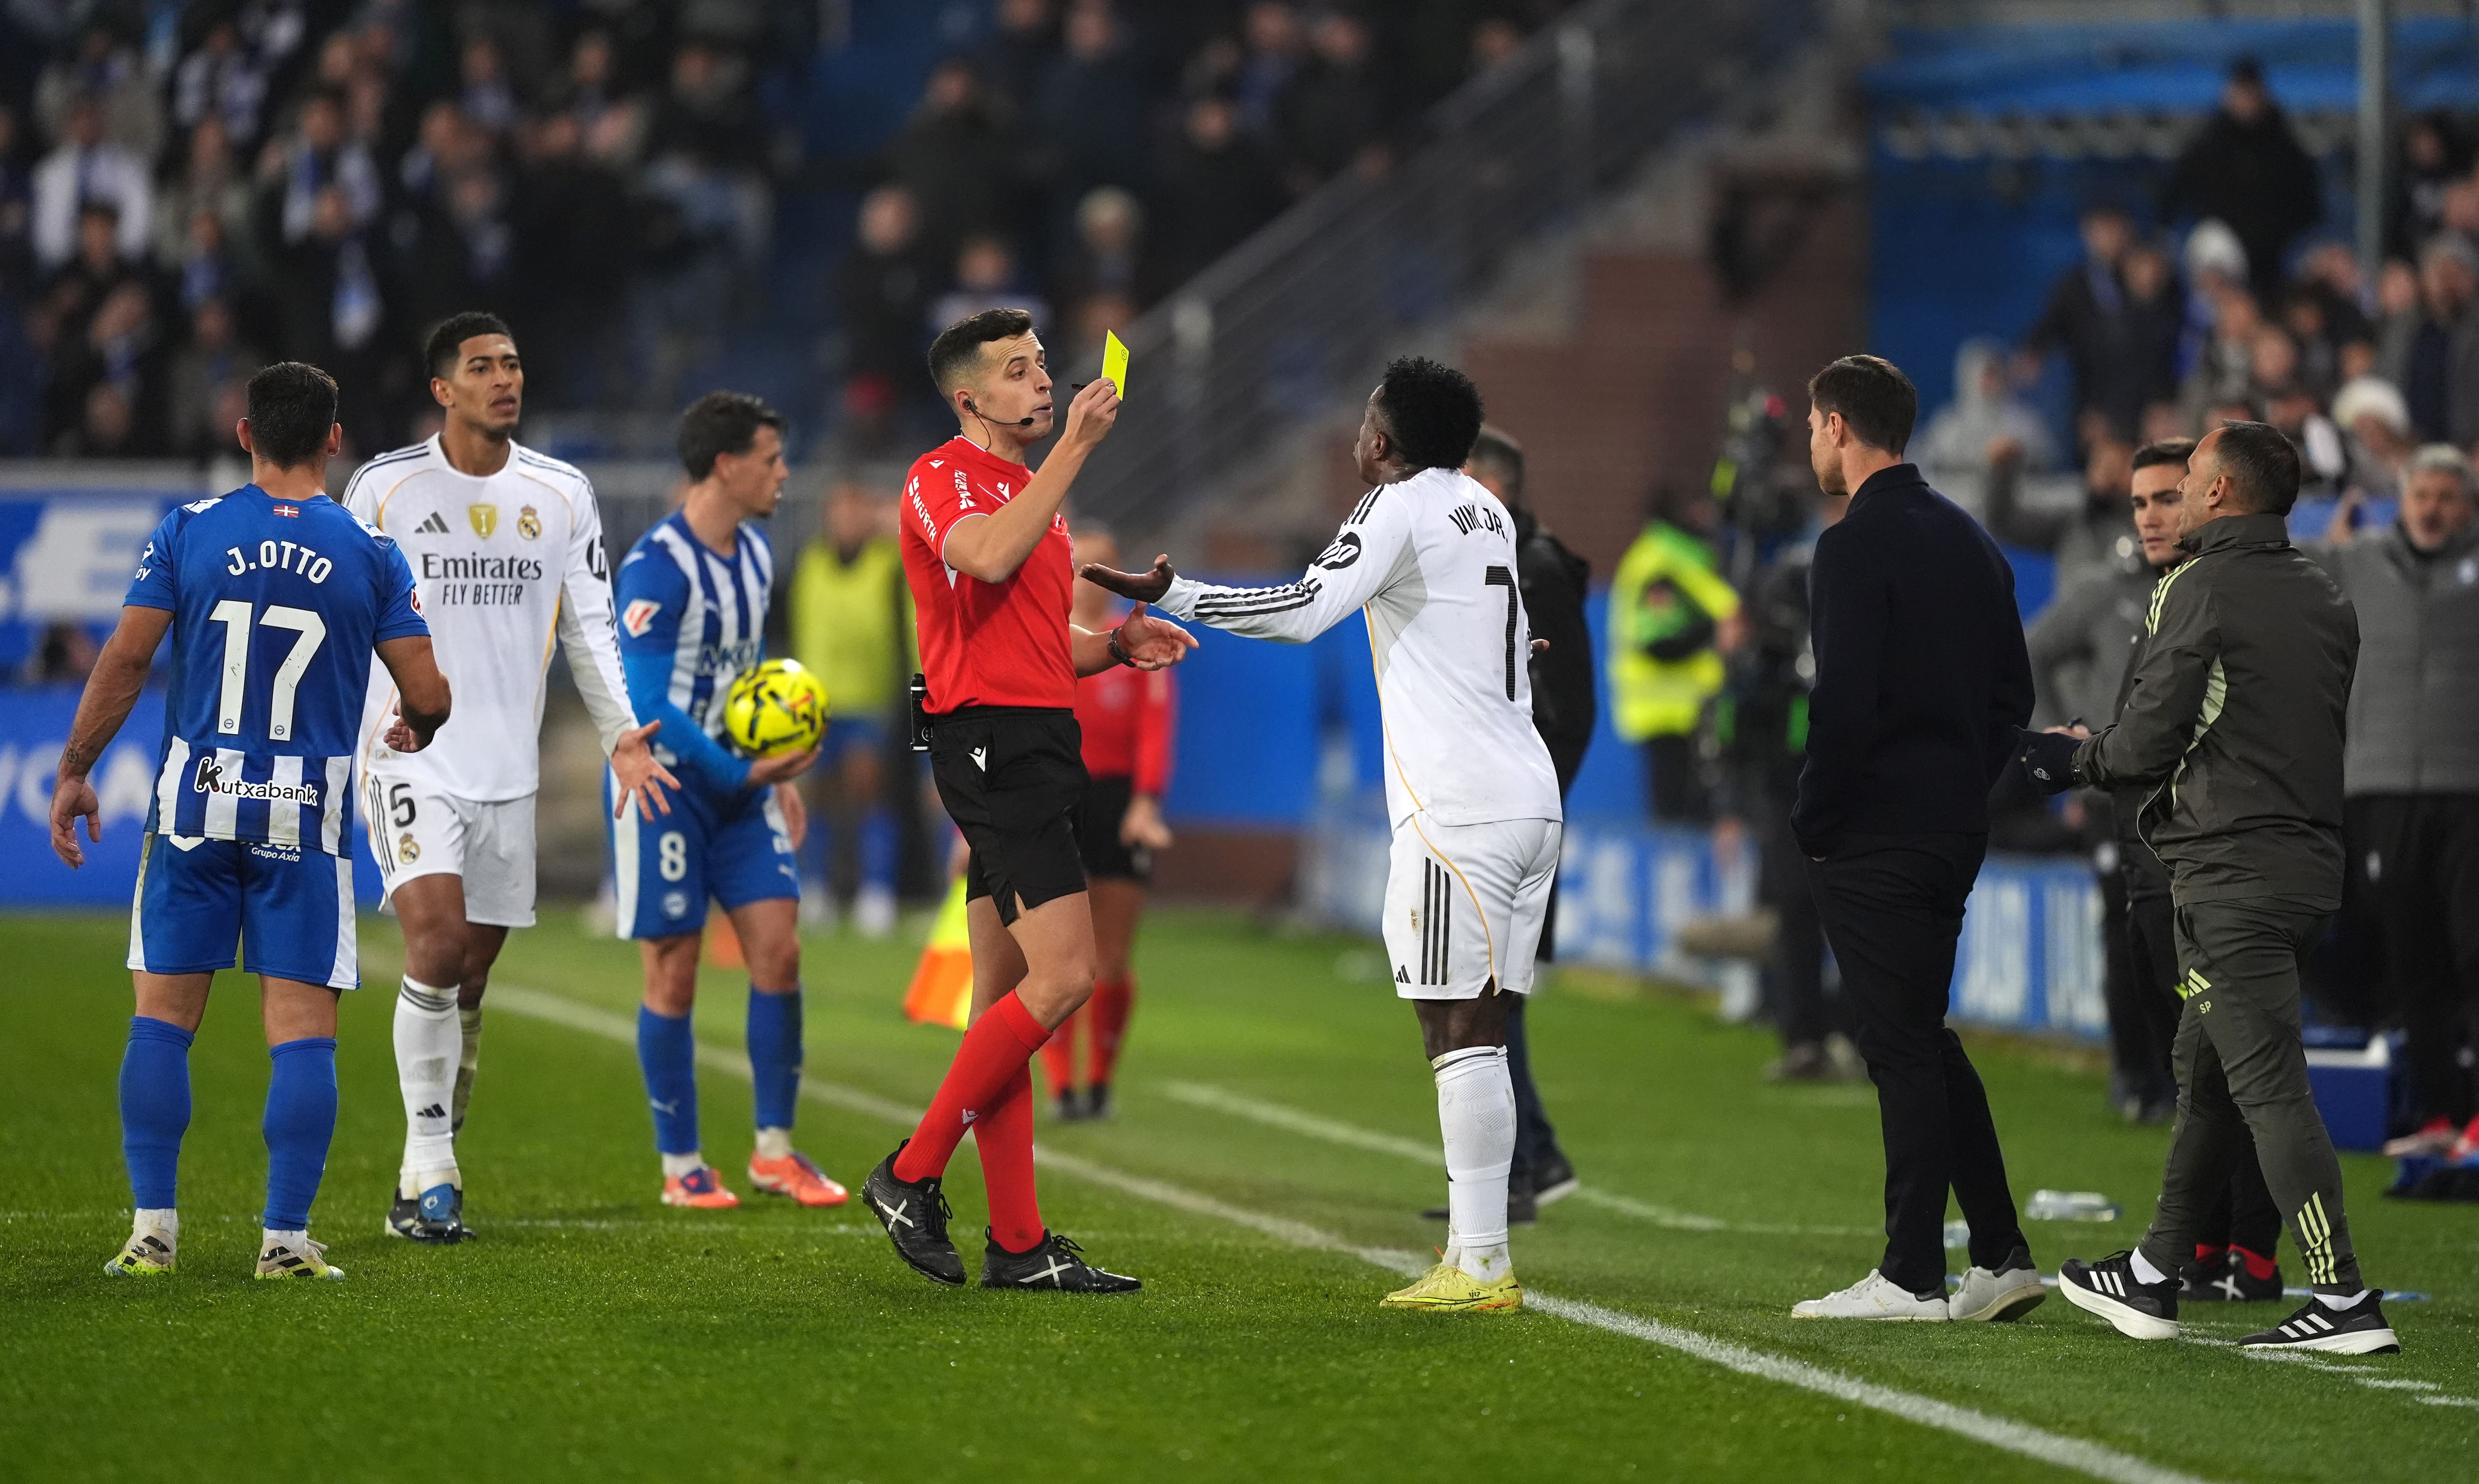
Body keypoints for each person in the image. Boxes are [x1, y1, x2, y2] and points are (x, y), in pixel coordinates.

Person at [1086, 357, 1564, 1314]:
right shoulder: (1487, 510)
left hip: (1456, 808)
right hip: (1528, 797)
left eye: (1364, 421)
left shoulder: (1398, 507)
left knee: (1456, 1026)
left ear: (1385, 441)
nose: (1355, 436)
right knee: (1486, 1022)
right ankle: (1484, 1255)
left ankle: (1480, 1264)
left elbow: (1305, 613)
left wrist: (1174, 597)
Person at [51, 361, 450, 1281]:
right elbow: (425, 690)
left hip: (193, 808)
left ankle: (152, 1234)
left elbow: (125, 659)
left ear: (245, 435)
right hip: (302, 822)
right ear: (334, 441)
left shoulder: (189, 532)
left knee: (160, 1023)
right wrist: (415, 720)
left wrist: (77, 770)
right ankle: (283, 1242)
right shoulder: (368, 548)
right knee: (302, 1030)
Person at [2027, 422, 2401, 1354]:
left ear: (2221, 493)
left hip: (2226, 868)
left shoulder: (2190, 587)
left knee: (2267, 1086)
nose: (2179, 491)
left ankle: (2342, 1296)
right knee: (2205, 1080)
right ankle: (2155, 1269)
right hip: (2307, 862)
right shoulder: (2325, 593)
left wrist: (2077, 762)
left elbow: (2151, 735)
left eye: (2189, 478)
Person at [860, 307, 1194, 1294]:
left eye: (1043, 365)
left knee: (1004, 1002)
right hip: (991, 744)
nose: (1043, 383)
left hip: (1031, 733)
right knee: (1067, 980)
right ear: (971, 399)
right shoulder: (941, 478)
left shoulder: (1033, 498)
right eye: (1017, 371)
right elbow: (987, 558)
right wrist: (1079, 451)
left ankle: (1018, 1242)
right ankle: (910, 1172)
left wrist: (1118, 647)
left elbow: (1043, 645)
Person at [347, 311, 683, 1244]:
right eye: (483, 367)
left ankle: (432, 1147)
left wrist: (622, 734)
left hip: (506, 768)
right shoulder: (386, 488)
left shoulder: (561, 493)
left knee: (471, 976)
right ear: (442, 390)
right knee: (436, 943)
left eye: (514, 364)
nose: (506, 379)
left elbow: (590, 624)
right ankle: (430, 1166)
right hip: (408, 755)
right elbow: (345, 611)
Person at [1786, 354, 2044, 1325]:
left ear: (1841, 425)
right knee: (1923, 1036)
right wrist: (1955, 788)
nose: (1812, 443)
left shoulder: (1854, 546)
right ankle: (2002, 1252)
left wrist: (1818, 818)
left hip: (1875, 834)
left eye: (1815, 425)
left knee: (1898, 1045)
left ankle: (1910, 1272)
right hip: (1951, 826)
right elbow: (2011, 700)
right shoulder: (1975, 543)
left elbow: (1842, 704)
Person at [2041, 436, 2291, 1297]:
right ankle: (2209, 1250)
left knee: (2229, 1063)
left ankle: (2247, 1254)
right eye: (2139, 501)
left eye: (2166, 497)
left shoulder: (2216, 597)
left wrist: (2085, 757)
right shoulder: (2146, 598)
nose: (2150, 514)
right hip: (2151, 859)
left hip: (2208, 859)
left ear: (2203, 500)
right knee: (2192, 1066)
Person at [607, 392, 841, 1212]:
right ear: (726, 466)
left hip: (742, 790)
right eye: (772, 459)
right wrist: (740, 775)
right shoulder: (654, 567)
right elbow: (646, 704)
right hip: (669, 787)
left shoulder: (753, 555)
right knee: (673, 973)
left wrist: (778, 782)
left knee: (778, 952)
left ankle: (774, 1152)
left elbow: (747, 682)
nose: (784, 474)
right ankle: (682, 1168)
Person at [1432, 425, 1582, 1209]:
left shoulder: (1535, 569)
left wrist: (1526, 794)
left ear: (1487, 487)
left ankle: (1517, 1173)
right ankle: (1531, 1161)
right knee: (1480, 992)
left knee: (1487, 995)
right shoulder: (1504, 563)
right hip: (1492, 806)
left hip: (1510, 816)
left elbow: (1571, 710)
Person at [2316, 447, 2479, 1165]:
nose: (2434, 507)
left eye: (2448, 496)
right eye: (2423, 495)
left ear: (2466, 507)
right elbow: (2262, 565)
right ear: (2401, 499)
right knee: (2410, 959)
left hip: (2468, 787)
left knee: (2473, 953)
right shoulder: (2353, 563)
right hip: (2378, 787)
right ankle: (2444, 1114)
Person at [1040, 526, 1176, 1123]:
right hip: (1055, 793)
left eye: (1103, 569)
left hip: (1116, 800)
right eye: (1082, 568)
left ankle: (1100, 1080)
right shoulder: (1045, 635)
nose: (1091, 580)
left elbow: (1156, 729)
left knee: (1113, 956)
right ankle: (1061, 1085)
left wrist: (1146, 803)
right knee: (1060, 955)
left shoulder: (1135, 641)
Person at [789, 480, 912, 937]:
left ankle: (876, 892)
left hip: (870, 699)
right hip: (814, 700)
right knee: (815, 797)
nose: (847, 522)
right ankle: (815, 889)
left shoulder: (887, 564)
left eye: (856, 512)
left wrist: (892, 521)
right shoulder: (811, 563)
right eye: (839, 512)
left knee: (868, 793)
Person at [1607, 484, 1740, 822]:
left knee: (1694, 816)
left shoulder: (1685, 558)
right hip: (1667, 713)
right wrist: (1715, 633)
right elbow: (1657, 643)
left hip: (1692, 711)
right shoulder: (1660, 564)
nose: (1707, 516)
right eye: (1698, 508)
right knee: (1676, 821)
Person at [2161, 57, 2321, 306]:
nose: (2246, 101)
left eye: (2251, 93)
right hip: (2220, 268)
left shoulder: (2285, 148)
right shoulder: (2207, 147)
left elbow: (2309, 206)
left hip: (2271, 268)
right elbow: (2173, 199)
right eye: (2240, 93)